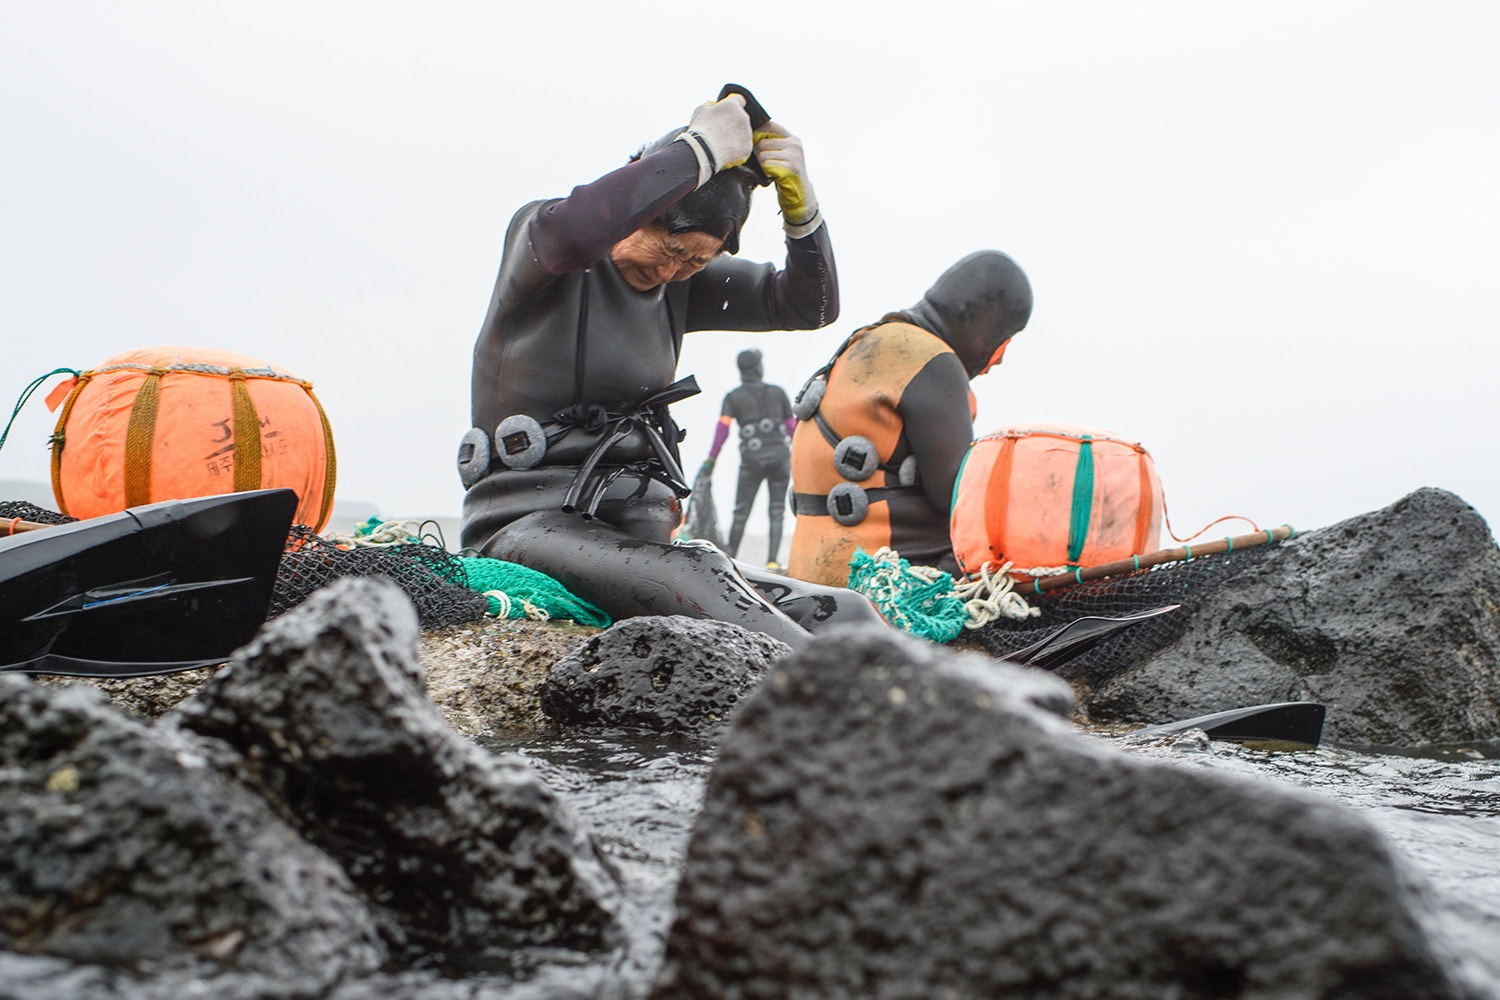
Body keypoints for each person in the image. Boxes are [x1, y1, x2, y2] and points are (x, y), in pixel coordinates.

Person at [459, 91, 884, 646]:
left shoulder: (677, 287)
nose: (673, 269)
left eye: (697, 261)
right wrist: (700, 150)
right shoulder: (545, 253)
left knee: (842, 610)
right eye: (669, 246)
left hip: (640, 536)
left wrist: (801, 211)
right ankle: (861, 704)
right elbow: (578, 231)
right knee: (697, 575)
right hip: (526, 525)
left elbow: (808, 307)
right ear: (638, 212)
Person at [787, 250, 1033, 587]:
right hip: (874, 578)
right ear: (979, 318)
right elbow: (959, 499)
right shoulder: (933, 361)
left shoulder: (872, 339)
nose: (999, 360)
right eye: (1004, 340)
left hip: (809, 568)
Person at [700, 348, 794, 568]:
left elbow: (722, 430)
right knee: (777, 511)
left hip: (751, 462)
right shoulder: (778, 392)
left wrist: (711, 460)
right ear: (756, 367)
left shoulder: (733, 397)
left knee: (741, 511)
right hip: (781, 459)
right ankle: (772, 561)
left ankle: (728, 559)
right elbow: (792, 428)